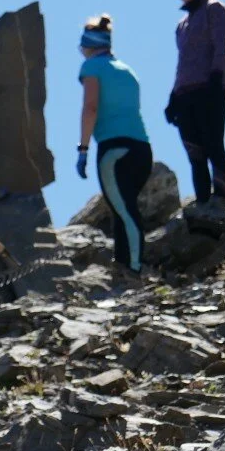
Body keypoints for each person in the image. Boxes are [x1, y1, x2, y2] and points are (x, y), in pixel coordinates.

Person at [76, 16, 153, 276]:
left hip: (114, 150)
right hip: (142, 149)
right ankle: (123, 263)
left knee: (125, 210)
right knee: (123, 207)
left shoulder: (92, 68)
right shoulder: (126, 70)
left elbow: (91, 107)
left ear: (88, 45)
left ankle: (133, 268)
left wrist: (83, 149)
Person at [162, 0, 225, 215]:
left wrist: (216, 79)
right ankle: (202, 202)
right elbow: (182, 63)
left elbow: (222, 48)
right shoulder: (181, 26)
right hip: (185, 94)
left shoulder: (216, 10)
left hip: (210, 88)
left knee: (213, 144)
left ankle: (220, 198)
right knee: (194, 151)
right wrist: (173, 98)